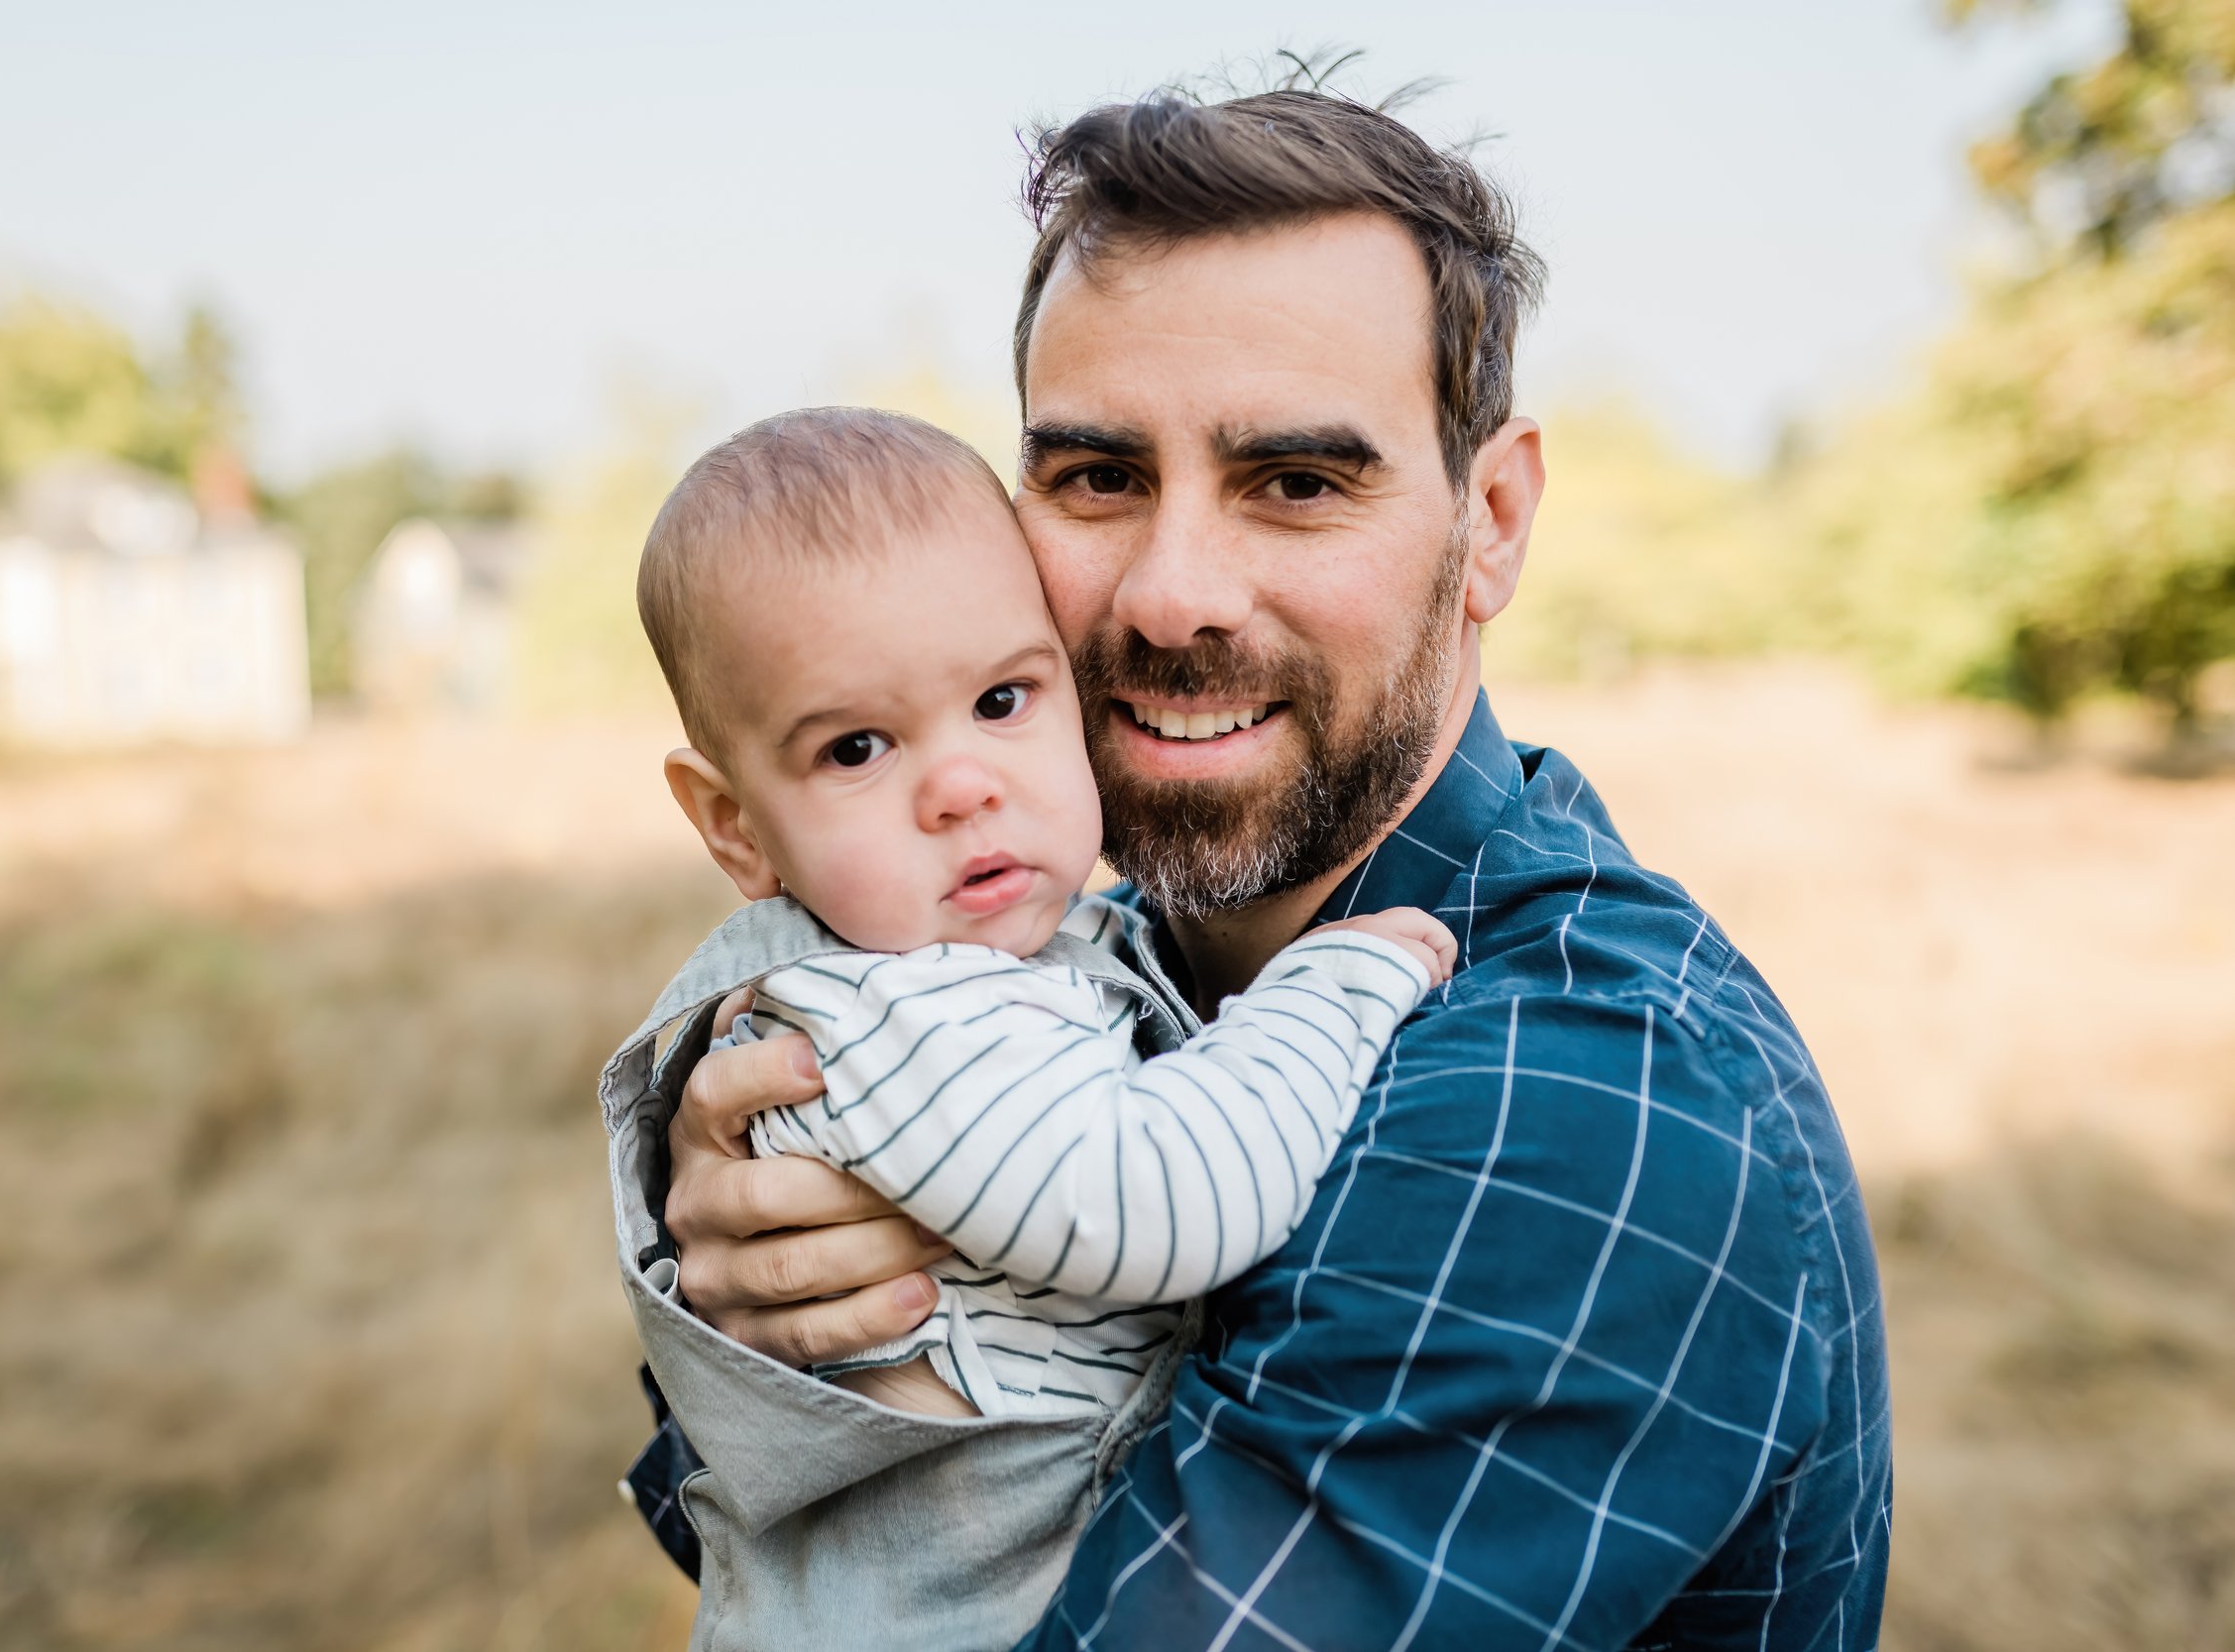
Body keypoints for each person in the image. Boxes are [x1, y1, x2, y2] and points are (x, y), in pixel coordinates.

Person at [629, 75, 1892, 1651]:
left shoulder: (1569, 1104)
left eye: (1296, 482)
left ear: (1490, 518)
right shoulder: (1076, 953)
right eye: (1097, 477)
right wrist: (770, 1302)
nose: (1172, 594)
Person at [602, 405, 1456, 1647]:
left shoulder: (1035, 953)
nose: (960, 786)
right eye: (855, 747)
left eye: (1002, 698)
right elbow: (1162, 1200)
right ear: (734, 825)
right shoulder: (895, 1010)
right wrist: (1338, 982)